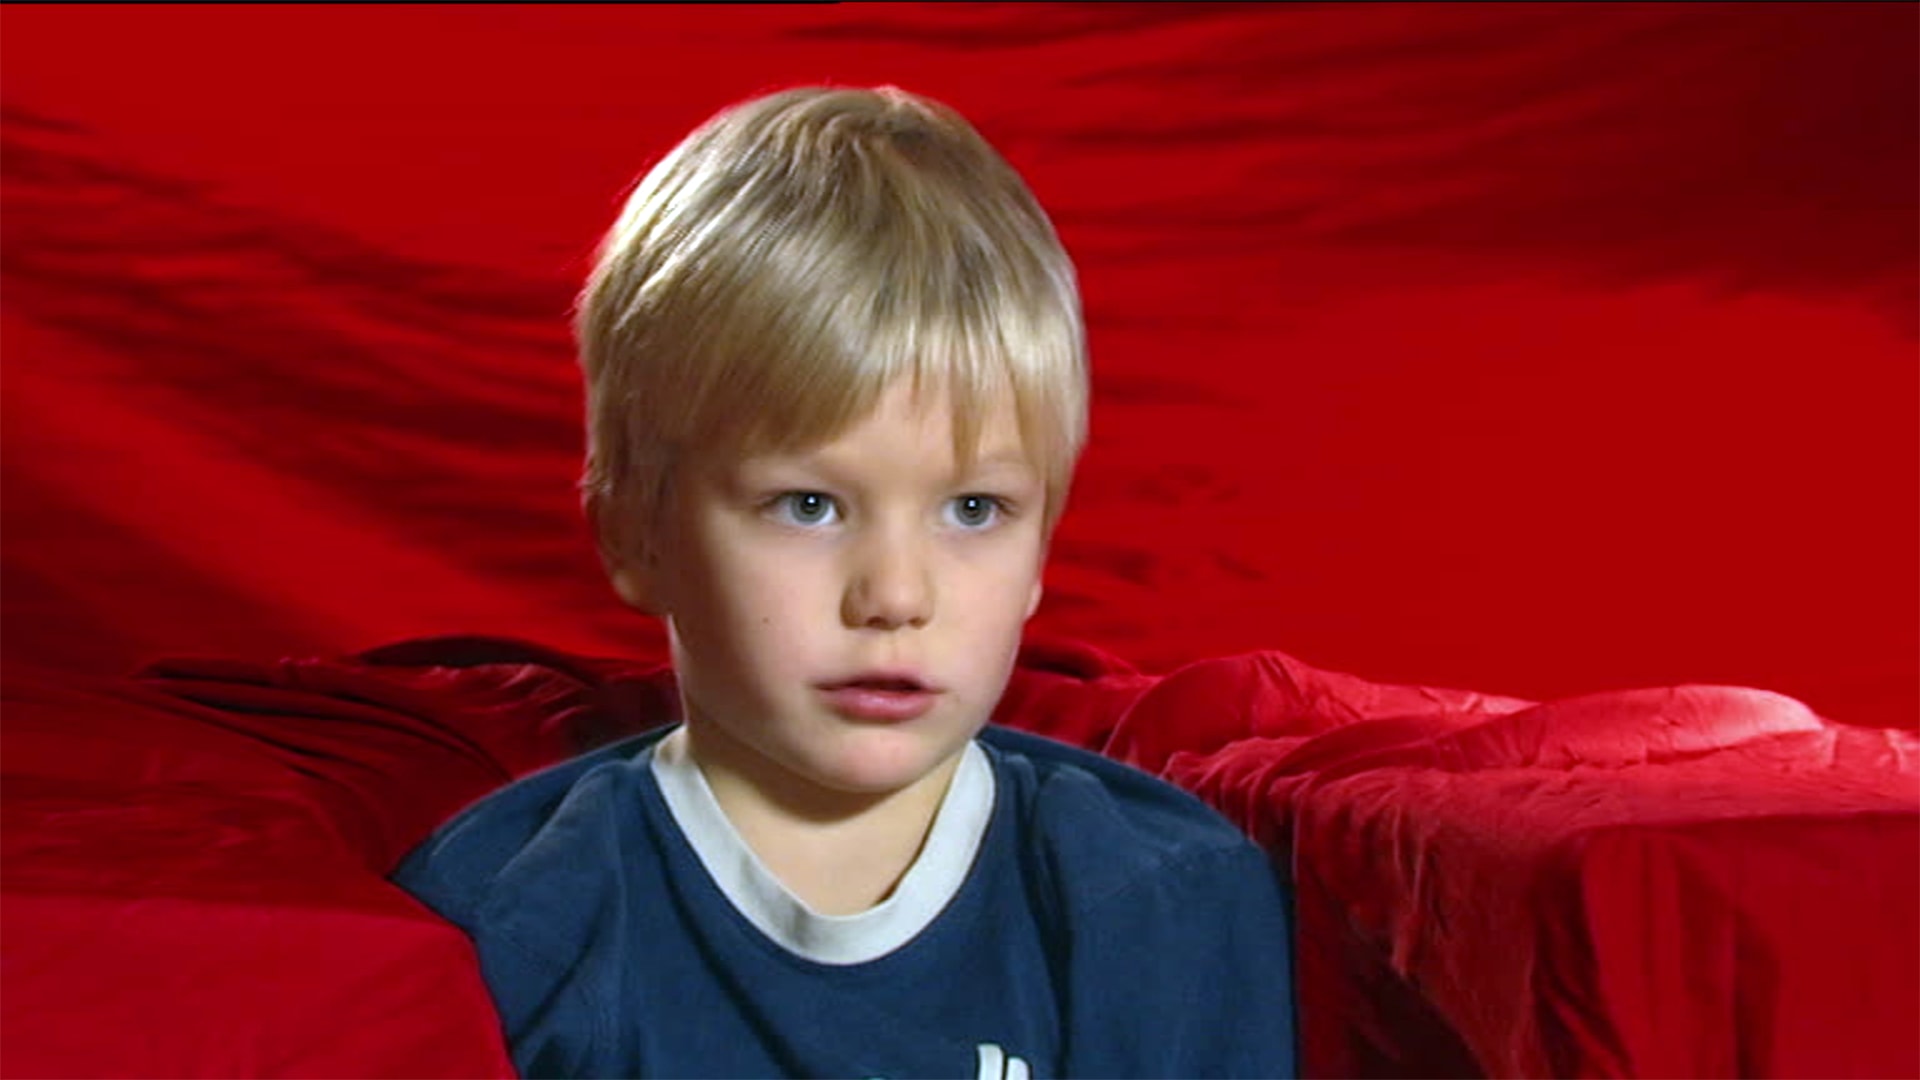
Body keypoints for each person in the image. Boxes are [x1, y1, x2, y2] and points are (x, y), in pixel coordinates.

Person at [391, 84, 1296, 1080]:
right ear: (635, 534)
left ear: (1042, 549)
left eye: (973, 509)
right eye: (809, 505)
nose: (896, 596)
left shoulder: (1164, 901)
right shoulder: (509, 920)